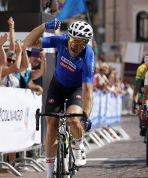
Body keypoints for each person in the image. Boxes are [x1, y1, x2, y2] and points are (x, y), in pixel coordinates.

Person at [24, 19, 94, 178]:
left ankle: (79, 146)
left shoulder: (88, 55)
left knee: (73, 120)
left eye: (79, 42)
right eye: (72, 40)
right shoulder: (62, 41)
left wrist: (86, 116)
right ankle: (49, 174)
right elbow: (27, 42)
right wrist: (43, 27)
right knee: (52, 125)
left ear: (86, 43)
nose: (74, 45)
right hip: (58, 86)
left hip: (76, 89)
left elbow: (88, 91)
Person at [133, 52, 148, 136]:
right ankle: (143, 123)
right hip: (145, 85)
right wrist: (134, 101)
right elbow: (137, 87)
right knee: (143, 102)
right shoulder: (141, 69)